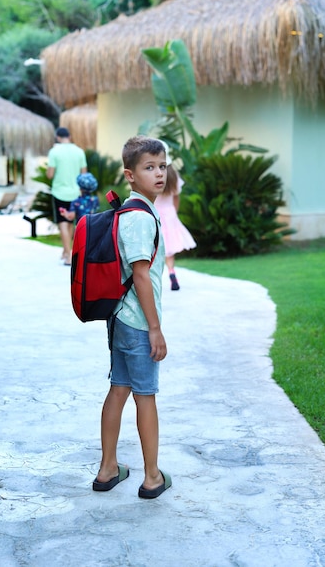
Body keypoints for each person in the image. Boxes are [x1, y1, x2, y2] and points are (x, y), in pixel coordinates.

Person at [92, 136, 172, 500]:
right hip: (138, 323)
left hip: (121, 319)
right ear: (130, 174)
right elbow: (141, 275)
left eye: (162, 165)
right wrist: (155, 329)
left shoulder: (132, 210)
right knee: (145, 396)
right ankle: (152, 477)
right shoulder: (139, 218)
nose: (158, 173)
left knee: (119, 388)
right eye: (149, 167)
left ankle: (109, 469)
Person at [46, 127, 87, 265]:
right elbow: (84, 174)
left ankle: (69, 255)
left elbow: (50, 174)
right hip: (76, 192)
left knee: (63, 223)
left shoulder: (54, 152)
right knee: (71, 223)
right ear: (69, 136)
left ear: (58, 137)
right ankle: (66, 250)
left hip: (59, 192)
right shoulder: (79, 151)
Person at [154, 158, 196, 291]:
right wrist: (174, 212)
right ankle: (172, 273)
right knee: (169, 250)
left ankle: (154, 280)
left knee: (154, 247)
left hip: (156, 212)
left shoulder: (155, 177)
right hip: (169, 213)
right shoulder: (173, 177)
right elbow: (176, 198)